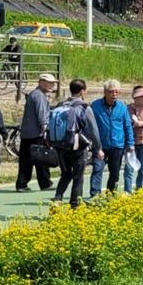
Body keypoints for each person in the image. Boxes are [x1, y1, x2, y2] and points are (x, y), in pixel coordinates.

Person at [52, 78, 102, 209]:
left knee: (66, 173)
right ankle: (75, 205)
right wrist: (98, 147)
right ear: (82, 91)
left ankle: (57, 199)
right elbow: (93, 130)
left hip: (60, 145)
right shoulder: (84, 108)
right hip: (77, 146)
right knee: (78, 176)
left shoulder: (60, 105)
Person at [90, 79, 135, 197]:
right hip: (100, 145)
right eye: (111, 92)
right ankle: (94, 194)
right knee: (97, 169)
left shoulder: (122, 107)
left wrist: (130, 143)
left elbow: (127, 125)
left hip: (117, 145)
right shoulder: (95, 106)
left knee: (114, 173)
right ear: (105, 92)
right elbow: (90, 125)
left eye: (117, 92)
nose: (114, 95)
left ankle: (110, 194)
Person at [17, 72, 56, 192]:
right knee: (41, 158)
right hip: (36, 133)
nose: (52, 85)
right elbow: (41, 114)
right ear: (41, 83)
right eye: (49, 83)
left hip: (27, 132)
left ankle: (22, 183)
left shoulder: (34, 94)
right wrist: (45, 129)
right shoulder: (39, 96)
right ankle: (44, 182)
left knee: (26, 159)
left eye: (52, 83)